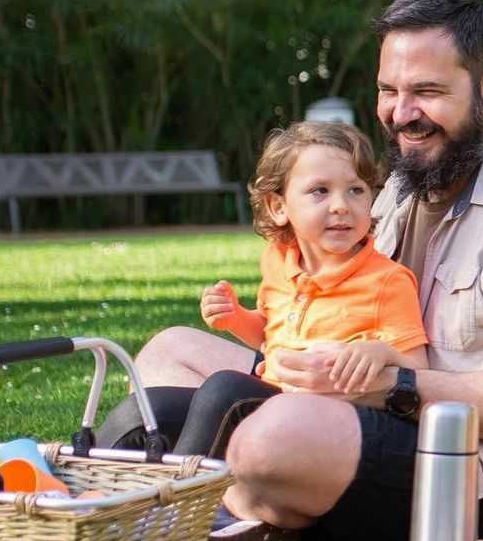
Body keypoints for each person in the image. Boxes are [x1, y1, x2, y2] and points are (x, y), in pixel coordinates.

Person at [103, 0, 483, 541]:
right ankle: (152, 507)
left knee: (268, 438)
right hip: (358, 404)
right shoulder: (404, 184)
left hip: (478, 479)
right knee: (169, 353)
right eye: (389, 91)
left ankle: (211, 522)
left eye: (427, 92)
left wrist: (394, 387)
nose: (402, 114)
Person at [145, 121, 430, 461]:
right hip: (273, 398)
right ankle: (93, 494)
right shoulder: (278, 260)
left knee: (225, 390)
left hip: (330, 423)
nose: (341, 205)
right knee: (154, 406)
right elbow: (270, 335)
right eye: (320, 191)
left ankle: (175, 502)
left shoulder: (386, 281)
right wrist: (235, 318)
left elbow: (418, 367)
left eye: (356, 190)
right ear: (278, 207)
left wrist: (379, 353)